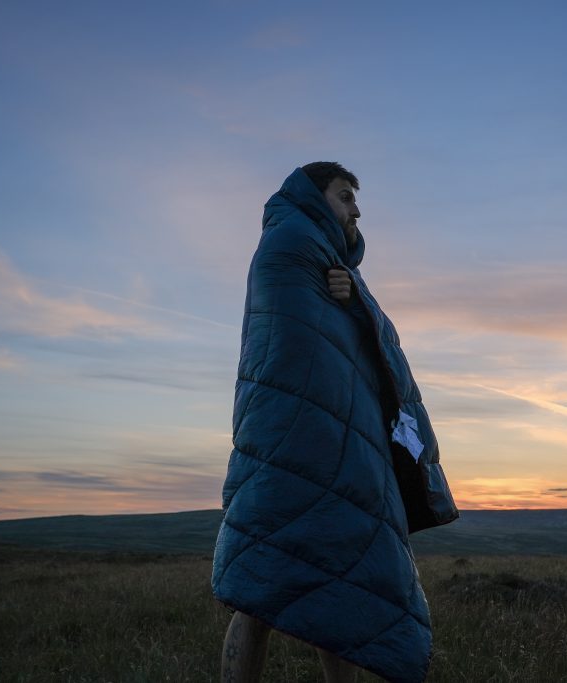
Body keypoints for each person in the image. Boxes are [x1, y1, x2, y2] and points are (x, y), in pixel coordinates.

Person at [212, 162, 458, 683]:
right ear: (314, 196)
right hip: (292, 443)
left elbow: (337, 341)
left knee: (334, 587)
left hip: (326, 440)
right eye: (345, 197)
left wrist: (353, 302)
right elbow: (294, 341)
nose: (356, 209)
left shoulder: (324, 257)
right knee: (261, 588)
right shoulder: (292, 245)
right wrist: (354, 306)